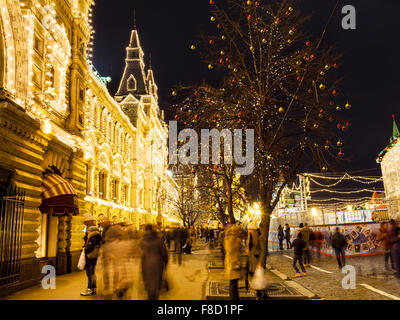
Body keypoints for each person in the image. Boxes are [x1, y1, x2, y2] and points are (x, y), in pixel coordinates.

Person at [139, 224, 169, 300]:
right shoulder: (159, 240)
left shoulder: (142, 241)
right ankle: (155, 296)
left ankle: (150, 296)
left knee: (148, 282)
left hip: (146, 263)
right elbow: (164, 253)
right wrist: (165, 263)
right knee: (157, 281)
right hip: (158, 263)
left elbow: (140, 253)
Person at [224, 224, 244, 300]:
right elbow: (233, 251)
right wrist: (236, 262)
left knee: (233, 283)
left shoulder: (230, 238)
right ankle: (234, 299)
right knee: (233, 283)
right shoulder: (232, 239)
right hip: (233, 262)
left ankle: (235, 298)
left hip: (231, 261)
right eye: (239, 231)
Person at [81, 226, 102, 296]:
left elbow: (90, 247)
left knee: (89, 274)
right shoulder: (98, 237)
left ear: (92, 231)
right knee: (93, 274)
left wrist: (85, 249)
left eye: (89, 230)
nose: (87, 231)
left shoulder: (91, 237)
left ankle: (89, 289)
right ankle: (94, 289)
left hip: (90, 258)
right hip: (95, 257)